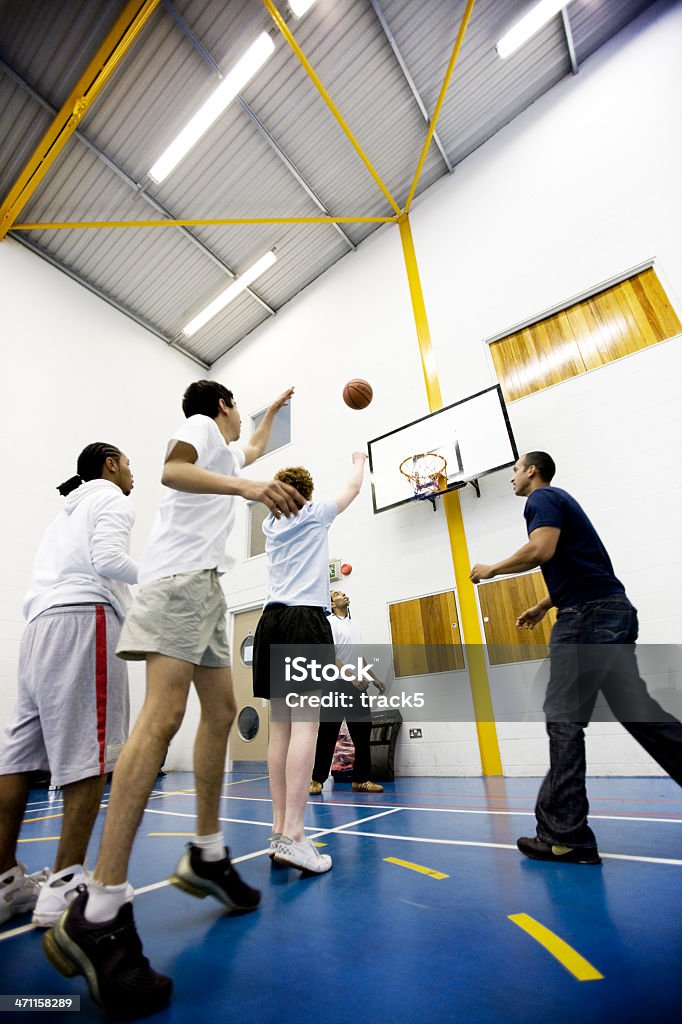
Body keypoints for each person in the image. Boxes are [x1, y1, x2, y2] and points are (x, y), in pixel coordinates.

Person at [44, 382, 305, 1019]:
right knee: (162, 720)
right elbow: (171, 468)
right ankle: (100, 909)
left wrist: (271, 413)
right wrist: (248, 487)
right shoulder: (201, 424)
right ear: (220, 406)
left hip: (205, 588)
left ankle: (209, 853)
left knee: (219, 713)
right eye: (238, 407)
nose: (240, 421)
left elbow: (251, 446)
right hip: (178, 581)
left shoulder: (227, 445)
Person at [470, 451, 682, 864]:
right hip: (609, 610)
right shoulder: (561, 502)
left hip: (587, 617)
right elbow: (580, 565)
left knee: (564, 716)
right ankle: (565, 830)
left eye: (515, 471)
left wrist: (492, 569)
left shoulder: (542, 499)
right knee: (640, 713)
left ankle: (565, 835)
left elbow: (541, 550)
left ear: (532, 471)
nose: (512, 478)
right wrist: (545, 605)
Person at [0, 443, 136, 928]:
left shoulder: (64, 515)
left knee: (18, 757)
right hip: (85, 620)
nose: (132, 474)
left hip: (37, 628)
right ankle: (63, 887)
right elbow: (110, 559)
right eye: (129, 464)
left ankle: (5, 883)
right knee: (90, 754)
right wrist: (163, 576)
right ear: (111, 464)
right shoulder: (113, 498)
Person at [252, 455, 367, 874]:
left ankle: (280, 830)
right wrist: (357, 461)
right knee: (307, 725)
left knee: (279, 729)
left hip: (270, 622)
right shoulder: (314, 513)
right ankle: (297, 835)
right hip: (303, 619)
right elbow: (352, 490)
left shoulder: (270, 526)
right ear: (305, 496)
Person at [309, 589, 385, 796]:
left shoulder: (356, 625)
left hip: (357, 686)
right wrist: (351, 677)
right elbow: (330, 654)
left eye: (343, 593)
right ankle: (317, 780)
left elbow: (359, 657)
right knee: (327, 733)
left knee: (362, 734)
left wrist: (374, 678)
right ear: (332, 604)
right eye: (337, 595)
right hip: (334, 684)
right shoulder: (329, 624)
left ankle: (361, 780)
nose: (344, 595)